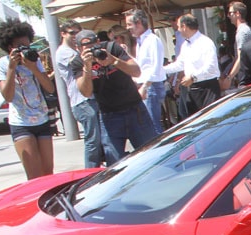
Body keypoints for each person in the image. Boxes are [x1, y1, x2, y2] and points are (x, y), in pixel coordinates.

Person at [72, 29, 156, 165]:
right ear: (78, 48)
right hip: (109, 115)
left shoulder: (111, 48)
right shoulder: (77, 62)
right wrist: (87, 67)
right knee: (115, 162)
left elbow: (136, 71)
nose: (90, 50)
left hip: (135, 109)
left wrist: (113, 60)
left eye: (93, 45)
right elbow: (86, 92)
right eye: (85, 48)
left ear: (98, 42)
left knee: (152, 154)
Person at [0, 19, 55, 180]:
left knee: (48, 173)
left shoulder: (34, 61)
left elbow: (50, 88)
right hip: (21, 123)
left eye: (27, 46)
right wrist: (11, 69)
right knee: (34, 176)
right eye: (20, 47)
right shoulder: (1, 64)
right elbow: (7, 96)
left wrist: (33, 67)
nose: (25, 50)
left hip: (42, 119)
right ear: (9, 47)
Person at [55, 20, 102, 169]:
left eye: (78, 32)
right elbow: (80, 66)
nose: (75, 35)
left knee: (99, 139)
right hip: (81, 100)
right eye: (71, 32)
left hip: (90, 98)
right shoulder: (64, 52)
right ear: (63, 34)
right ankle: (90, 172)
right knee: (92, 140)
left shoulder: (76, 50)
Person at [163, 14, 220, 119]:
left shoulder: (205, 42)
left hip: (207, 89)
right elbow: (180, 64)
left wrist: (194, 77)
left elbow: (211, 66)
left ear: (184, 26)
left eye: (179, 26)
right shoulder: (185, 45)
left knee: (210, 121)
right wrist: (162, 70)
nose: (178, 30)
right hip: (192, 89)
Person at [126, 9, 167, 134]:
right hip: (147, 85)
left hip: (151, 86)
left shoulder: (152, 40)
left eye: (129, 24)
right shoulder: (141, 41)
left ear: (138, 23)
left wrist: (145, 86)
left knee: (152, 124)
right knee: (148, 123)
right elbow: (141, 65)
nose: (127, 28)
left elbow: (155, 66)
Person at [224, 2, 251, 88]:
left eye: (230, 13)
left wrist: (229, 78)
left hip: (247, 78)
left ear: (237, 13)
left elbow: (240, 58)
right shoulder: (248, 29)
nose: (228, 16)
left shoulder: (242, 32)